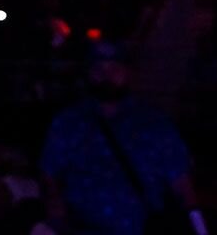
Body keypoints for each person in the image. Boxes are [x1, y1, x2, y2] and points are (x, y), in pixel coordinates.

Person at [39, 48, 204, 235]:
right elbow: (49, 174)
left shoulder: (155, 124)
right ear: (88, 74)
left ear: (128, 73)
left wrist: (198, 227)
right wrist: (56, 216)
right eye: (98, 69)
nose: (106, 76)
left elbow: (182, 184)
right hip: (81, 227)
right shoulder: (68, 122)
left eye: (114, 69)